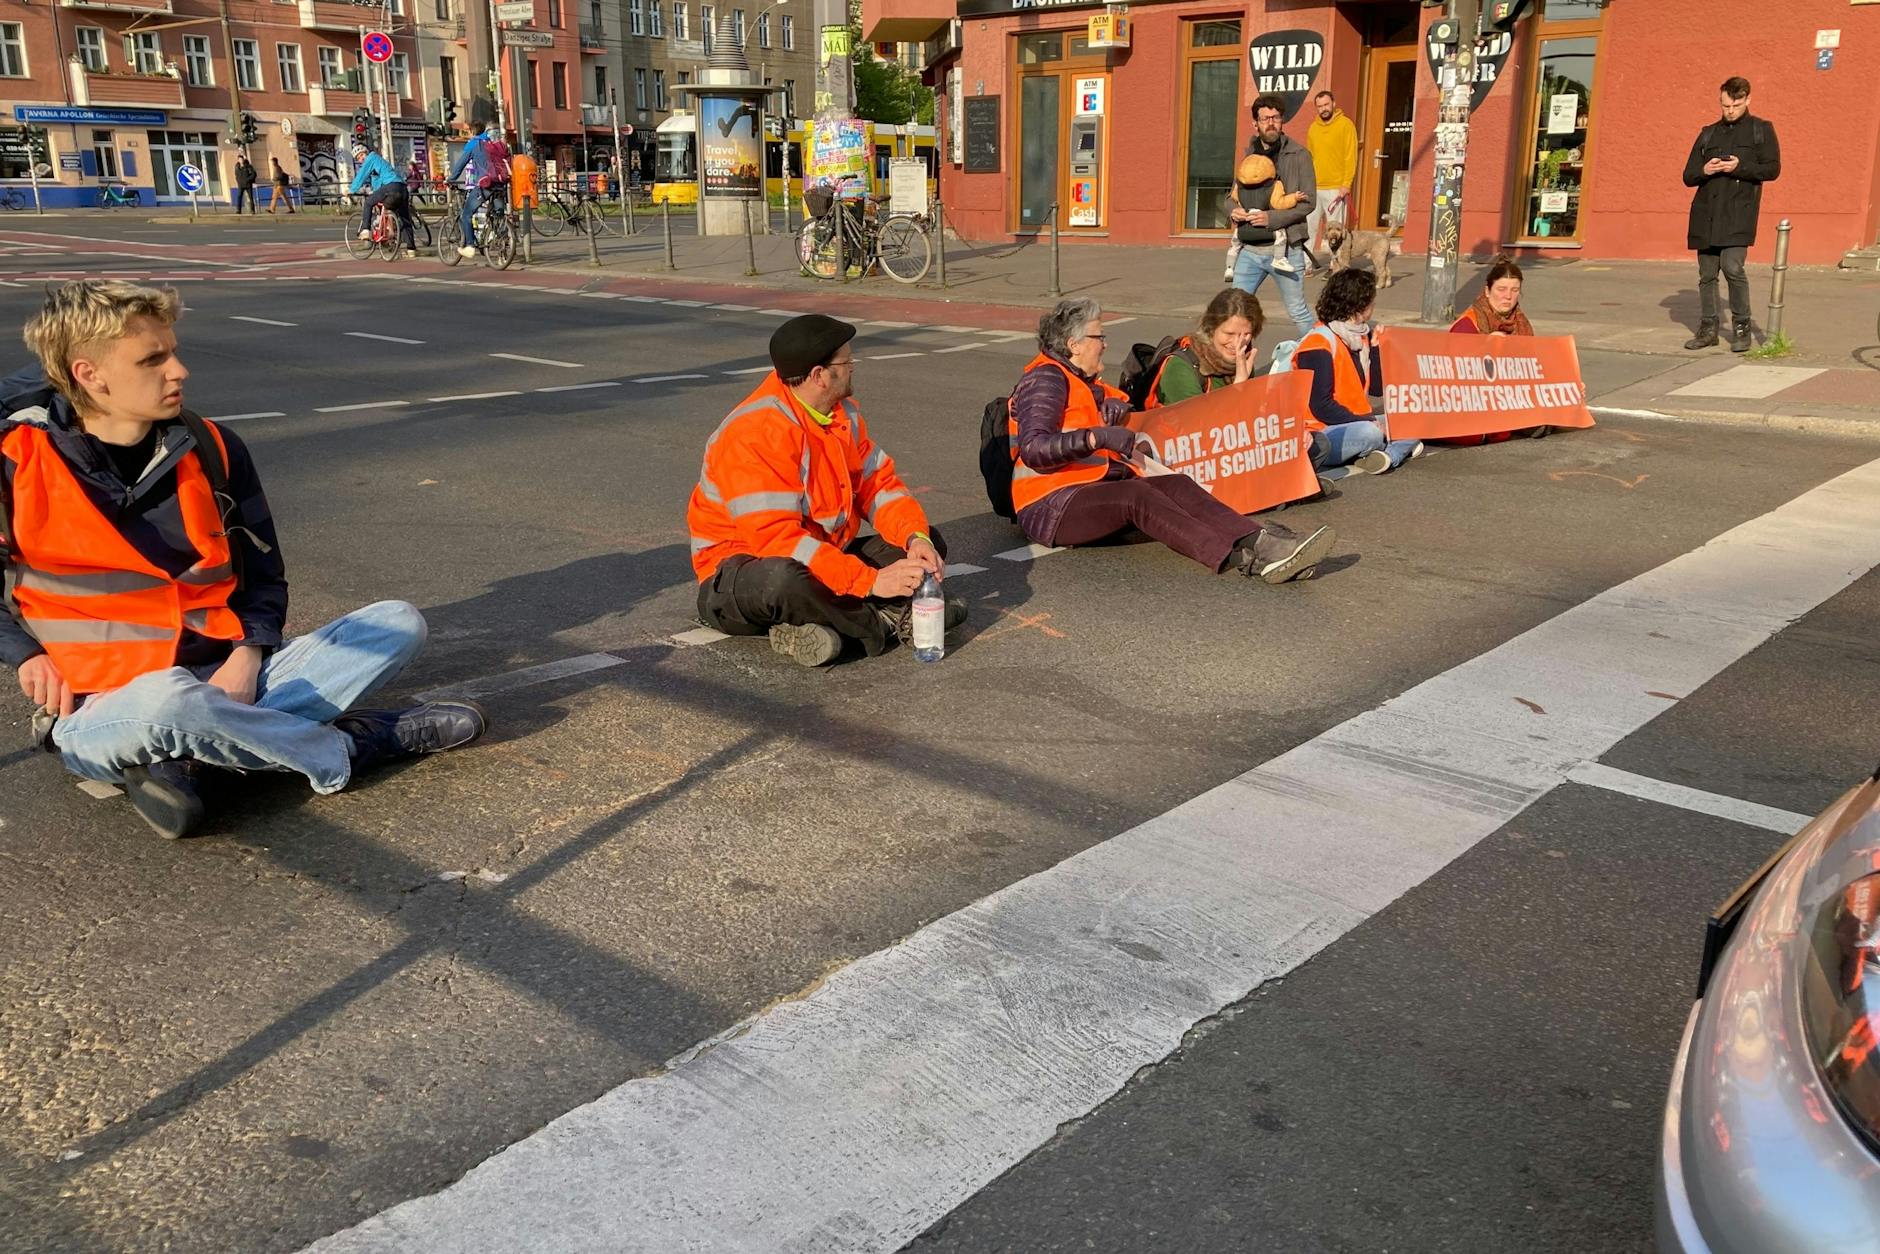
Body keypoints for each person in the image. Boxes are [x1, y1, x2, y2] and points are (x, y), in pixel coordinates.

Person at [5, 280, 486, 838]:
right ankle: (351, 747)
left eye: (173, 352)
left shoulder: (213, 446)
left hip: (229, 676)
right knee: (169, 703)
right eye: (153, 359)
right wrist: (24, 654)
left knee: (397, 624)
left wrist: (248, 654)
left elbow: (263, 576)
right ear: (89, 374)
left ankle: (189, 757)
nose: (179, 370)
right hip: (102, 704)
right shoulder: (15, 460)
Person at [687, 314, 966, 667]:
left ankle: (830, 629)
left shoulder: (839, 414)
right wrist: (871, 582)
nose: (853, 368)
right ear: (819, 375)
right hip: (742, 575)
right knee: (784, 580)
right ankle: (884, 623)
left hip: (820, 554)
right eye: (846, 363)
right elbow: (777, 542)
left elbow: (879, 487)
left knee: (926, 544)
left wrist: (915, 538)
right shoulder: (755, 433)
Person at [1013, 298, 1335, 585]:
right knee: (1136, 495)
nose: (1105, 345)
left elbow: (1114, 403)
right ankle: (1247, 560)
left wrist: (1114, 405)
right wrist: (1096, 436)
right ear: (1075, 344)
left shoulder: (1080, 379)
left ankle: (1260, 541)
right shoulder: (1046, 379)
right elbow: (1035, 448)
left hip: (1085, 489)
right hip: (1049, 506)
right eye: (1100, 337)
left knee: (1175, 484)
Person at [1682, 76, 1780, 353]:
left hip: (1739, 214)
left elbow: (1772, 169)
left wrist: (1740, 166)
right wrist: (1705, 170)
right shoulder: (1708, 133)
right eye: (1725, 106)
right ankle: (1708, 329)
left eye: (1736, 105)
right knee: (1707, 274)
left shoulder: (1761, 129)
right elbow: (1688, 175)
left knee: (1733, 268)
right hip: (1706, 213)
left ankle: (1741, 327)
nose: (1730, 111)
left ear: (1748, 99)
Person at [1290, 269, 1421, 477]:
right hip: (1321, 432)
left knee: (1414, 418)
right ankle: (1391, 450)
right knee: (1371, 433)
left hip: (1356, 420)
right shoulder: (1318, 343)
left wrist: (1376, 349)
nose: (1374, 306)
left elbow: (1376, 388)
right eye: (1371, 301)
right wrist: (1366, 422)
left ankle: (1387, 456)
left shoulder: (1362, 337)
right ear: (1359, 305)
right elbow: (1321, 406)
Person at [1228, 96, 1316, 337]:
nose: (1271, 123)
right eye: (1265, 118)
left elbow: (1308, 201)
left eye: (1275, 118)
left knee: (1298, 311)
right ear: (1255, 123)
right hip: (1250, 250)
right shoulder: (1248, 153)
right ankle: (1237, 358)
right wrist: (1232, 210)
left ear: (1282, 120)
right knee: (1234, 311)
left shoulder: (1299, 154)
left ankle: (1320, 354)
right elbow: (1232, 195)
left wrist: (1272, 219)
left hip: (1286, 250)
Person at [1443, 256, 1545, 444]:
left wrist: (1567, 386)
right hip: (1474, 398)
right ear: (1487, 291)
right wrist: (1485, 346)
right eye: (1501, 289)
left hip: (1509, 395)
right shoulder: (1468, 324)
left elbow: (1533, 368)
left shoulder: (1521, 322)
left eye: (1515, 290)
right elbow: (1453, 372)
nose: (1508, 296)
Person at [1148, 288, 1263, 409]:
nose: (1237, 343)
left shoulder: (1243, 360)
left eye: (1246, 334)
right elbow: (1199, 418)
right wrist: (1239, 386)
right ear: (1211, 329)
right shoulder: (1180, 367)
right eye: (1229, 334)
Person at [1304, 90, 1357, 273]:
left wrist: (1346, 183)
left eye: (1326, 104)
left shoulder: (1346, 125)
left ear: (1333, 103)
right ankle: (1306, 265)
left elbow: (1350, 156)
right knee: (1309, 228)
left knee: (1336, 231)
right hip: (1314, 187)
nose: (1323, 109)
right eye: (1319, 106)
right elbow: (1310, 157)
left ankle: (1335, 266)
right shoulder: (1313, 128)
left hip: (1336, 188)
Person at [447, 124, 512, 259]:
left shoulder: (476, 144)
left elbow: (460, 164)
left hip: (485, 185)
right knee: (499, 215)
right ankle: (504, 250)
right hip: (500, 185)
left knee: (466, 214)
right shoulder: (501, 146)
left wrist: (450, 179)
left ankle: (470, 246)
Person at [347, 143, 416, 259]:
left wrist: (351, 190)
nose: (361, 158)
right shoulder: (378, 162)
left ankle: (365, 230)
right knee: (405, 219)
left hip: (391, 187)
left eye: (361, 155)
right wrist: (375, 192)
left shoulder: (371, 158)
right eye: (358, 158)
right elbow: (377, 182)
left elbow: (361, 175)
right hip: (402, 188)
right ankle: (411, 250)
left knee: (368, 203)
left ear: (366, 152)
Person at [509, 144, 539, 216]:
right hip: (527, 192)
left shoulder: (517, 161)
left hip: (521, 194)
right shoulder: (528, 161)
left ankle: (519, 209)